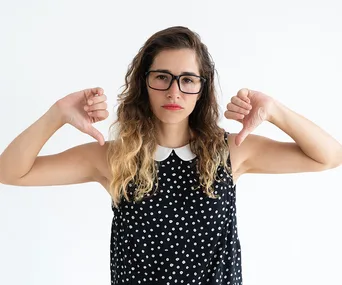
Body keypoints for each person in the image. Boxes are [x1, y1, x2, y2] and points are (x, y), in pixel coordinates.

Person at [0, 26, 341, 285]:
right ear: (144, 83)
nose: (174, 91)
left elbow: (328, 156)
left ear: (202, 88)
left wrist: (275, 111)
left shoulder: (233, 151)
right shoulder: (113, 158)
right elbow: (11, 172)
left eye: (188, 79)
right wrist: (56, 114)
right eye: (162, 77)